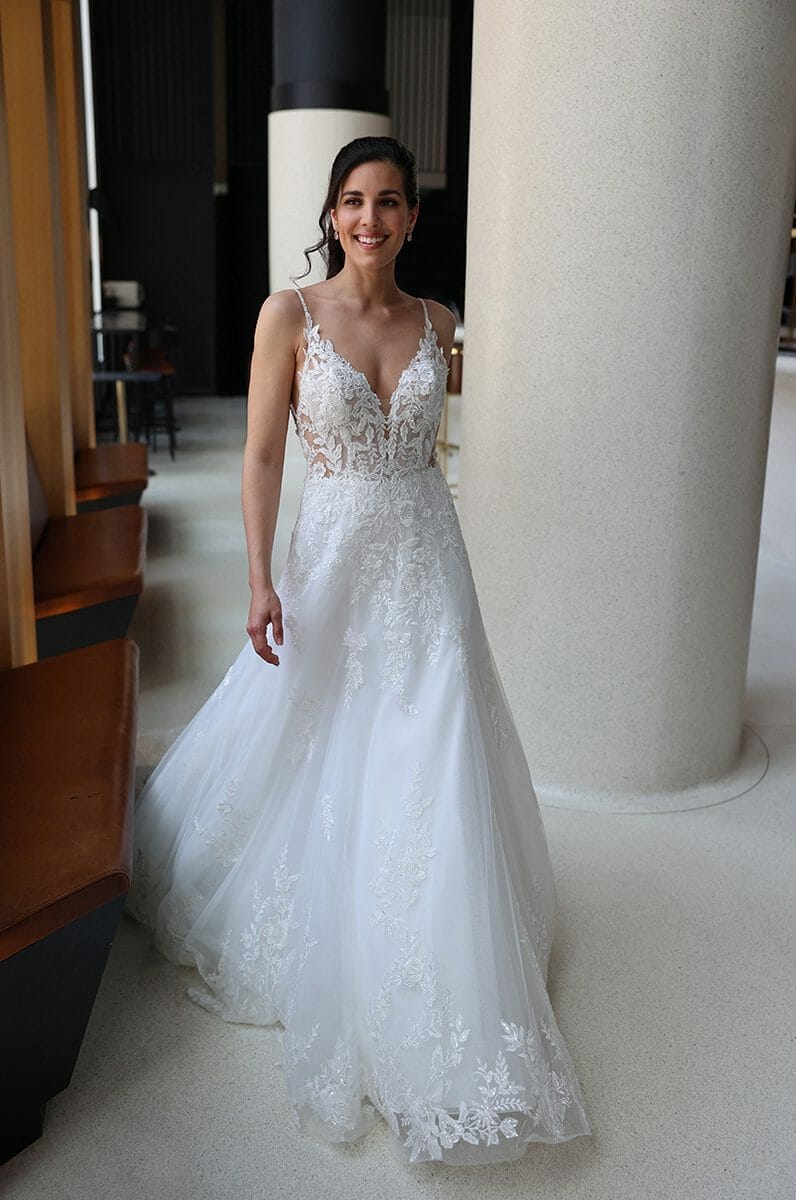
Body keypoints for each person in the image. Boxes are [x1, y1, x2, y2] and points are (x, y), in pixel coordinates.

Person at [128, 136, 591, 1165]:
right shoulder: (287, 315)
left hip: (427, 561)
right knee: (318, 724)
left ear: (414, 217)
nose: (368, 219)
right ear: (331, 215)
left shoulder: (439, 321)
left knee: (434, 740)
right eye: (351, 201)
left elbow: (433, 451)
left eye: (387, 202)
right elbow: (260, 454)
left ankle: (440, 934)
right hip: (332, 556)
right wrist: (259, 578)